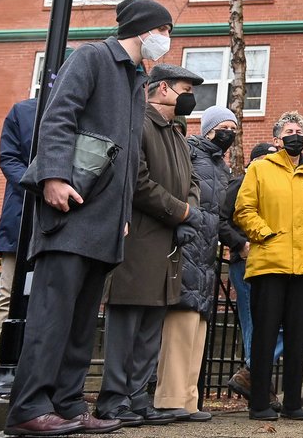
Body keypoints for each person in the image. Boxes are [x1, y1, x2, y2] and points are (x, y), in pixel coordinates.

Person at [5, 0, 172, 437]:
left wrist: (121, 214)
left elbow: (128, 154)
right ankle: (27, 409)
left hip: (103, 220)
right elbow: (58, 118)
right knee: (52, 316)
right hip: (70, 210)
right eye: (165, 30)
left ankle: (68, 404)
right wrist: (53, 176)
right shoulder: (92, 57)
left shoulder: (136, 80)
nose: (167, 40)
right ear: (143, 31)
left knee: (81, 322)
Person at [96, 63, 204, 426]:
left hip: (168, 246)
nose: (189, 97)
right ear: (161, 89)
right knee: (126, 325)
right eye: (184, 89)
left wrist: (190, 210)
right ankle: (113, 398)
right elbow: (138, 182)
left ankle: (138, 396)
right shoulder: (138, 124)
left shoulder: (176, 133)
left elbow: (192, 181)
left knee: (150, 328)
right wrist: (181, 212)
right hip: (140, 242)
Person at [234, 111, 303, 421]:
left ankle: (293, 403)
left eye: (299, 130)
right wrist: (265, 234)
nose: (296, 135)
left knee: (299, 335)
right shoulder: (260, 169)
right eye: (289, 130)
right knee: (265, 335)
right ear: (277, 139)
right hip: (269, 264)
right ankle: (260, 404)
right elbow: (244, 208)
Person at [153, 106, 238, 421]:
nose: (229, 132)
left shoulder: (221, 165)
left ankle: (189, 400)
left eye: (233, 126)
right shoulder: (188, 151)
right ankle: (169, 398)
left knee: (198, 325)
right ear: (209, 128)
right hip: (185, 246)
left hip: (206, 252)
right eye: (224, 126)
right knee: (180, 321)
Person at [220, 140, 281, 403]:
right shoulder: (240, 183)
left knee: (276, 323)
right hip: (245, 262)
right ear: (252, 162)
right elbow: (221, 221)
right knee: (253, 322)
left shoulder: (272, 186)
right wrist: (240, 244)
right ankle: (257, 378)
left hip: (271, 261)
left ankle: (252, 372)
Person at [0, 97, 37, 382]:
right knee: (9, 294)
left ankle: (34, 369)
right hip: (20, 216)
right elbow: (8, 157)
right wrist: (38, 184)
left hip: (60, 220)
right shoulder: (22, 110)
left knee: (44, 298)